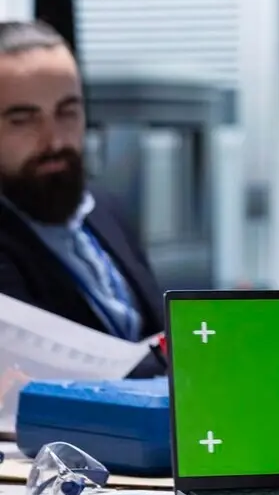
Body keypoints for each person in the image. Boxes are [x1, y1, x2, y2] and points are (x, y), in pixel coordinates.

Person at [0, 21, 163, 377]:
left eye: (67, 112)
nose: (55, 141)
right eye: (23, 120)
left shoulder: (105, 209)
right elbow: (48, 371)